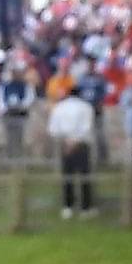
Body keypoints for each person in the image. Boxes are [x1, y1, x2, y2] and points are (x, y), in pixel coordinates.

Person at [48, 89, 96, 218]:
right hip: (81, 144)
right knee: (84, 176)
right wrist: (75, 140)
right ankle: (86, 207)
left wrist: (67, 140)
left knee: (67, 176)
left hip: (64, 144)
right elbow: (87, 127)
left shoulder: (59, 107)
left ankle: (67, 206)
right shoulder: (86, 106)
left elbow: (53, 129)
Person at [0, 65, 34, 162]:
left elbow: (30, 98)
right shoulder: (5, 86)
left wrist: (21, 106)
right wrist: (6, 108)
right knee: (9, 136)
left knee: (20, 136)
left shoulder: (26, 86)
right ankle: (9, 156)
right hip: (8, 114)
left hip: (21, 114)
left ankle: (19, 156)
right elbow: (0, 99)